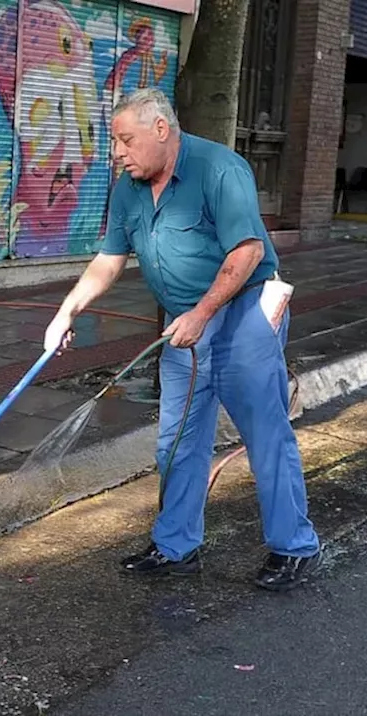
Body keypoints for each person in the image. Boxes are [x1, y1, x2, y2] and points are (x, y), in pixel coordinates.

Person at [43, 88, 321, 592]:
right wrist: (67, 312)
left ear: (161, 130)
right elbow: (109, 260)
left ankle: (295, 546)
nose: (118, 153)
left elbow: (248, 251)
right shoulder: (128, 188)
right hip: (184, 322)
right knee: (177, 441)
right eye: (115, 143)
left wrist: (202, 312)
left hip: (244, 314)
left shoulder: (220, 170)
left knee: (264, 434)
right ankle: (176, 547)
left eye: (126, 140)